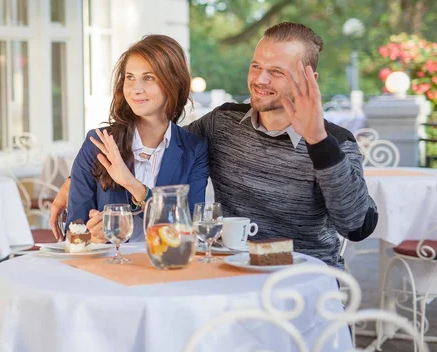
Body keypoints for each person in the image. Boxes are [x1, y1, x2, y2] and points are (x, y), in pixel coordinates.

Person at [52, 22, 377, 269]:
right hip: (234, 274)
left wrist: (318, 140)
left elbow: (357, 226)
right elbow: (164, 141)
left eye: (276, 72)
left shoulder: (336, 143)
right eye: (256, 67)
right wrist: (81, 177)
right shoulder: (222, 125)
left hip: (305, 277)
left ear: (310, 80)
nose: (260, 80)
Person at [65, 34, 209, 242]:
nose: (135, 89)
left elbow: (194, 231)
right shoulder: (97, 144)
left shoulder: (194, 149)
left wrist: (133, 185)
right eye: (130, 77)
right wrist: (93, 237)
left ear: (174, 83)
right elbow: (74, 234)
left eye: (148, 78)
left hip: (170, 268)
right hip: (108, 269)